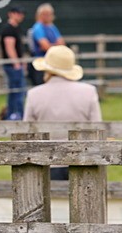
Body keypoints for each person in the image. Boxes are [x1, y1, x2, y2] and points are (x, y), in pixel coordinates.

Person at [24, 45, 101, 180]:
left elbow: (26, 133)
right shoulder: (89, 92)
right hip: (83, 160)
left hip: (46, 161)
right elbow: (98, 129)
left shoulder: (33, 94)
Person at [0, 6, 27, 120]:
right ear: (11, 14)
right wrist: (16, 64)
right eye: (18, 13)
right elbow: (10, 48)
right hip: (12, 66)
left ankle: (12, 114)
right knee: (17, 92)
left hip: (15, 64)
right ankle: (16, 115)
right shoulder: (9, 29)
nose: (20, 16)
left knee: (15, 92)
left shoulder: (16, 28)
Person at [27, 3, 65, 87]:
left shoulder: (52, 27)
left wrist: (52, 46)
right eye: (45, 14)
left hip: (53, 63)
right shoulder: (38, 28)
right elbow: (46, 46)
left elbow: (62, 44)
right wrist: (56, 45)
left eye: (49, 14)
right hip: (41, 63)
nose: (47, 17)